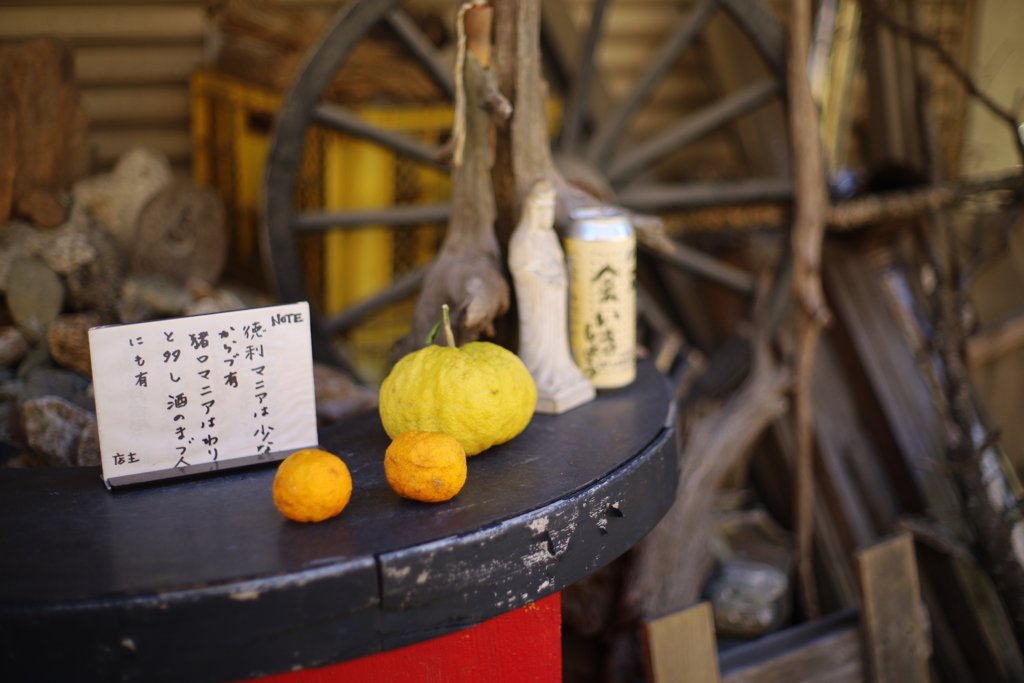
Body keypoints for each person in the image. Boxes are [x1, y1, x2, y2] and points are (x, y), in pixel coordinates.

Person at [509, 179, 595, 414]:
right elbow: (522, 268)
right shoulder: (523, 239)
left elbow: (558, 262)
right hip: (538, 300)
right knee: (541, 339)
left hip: (554, 299)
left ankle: (561, 372)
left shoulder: (549, 237)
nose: (546, 215)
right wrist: (546, 280)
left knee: (557, 338)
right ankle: (541, 375)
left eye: (549, 210)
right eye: (542, 210)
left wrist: (558, 278)